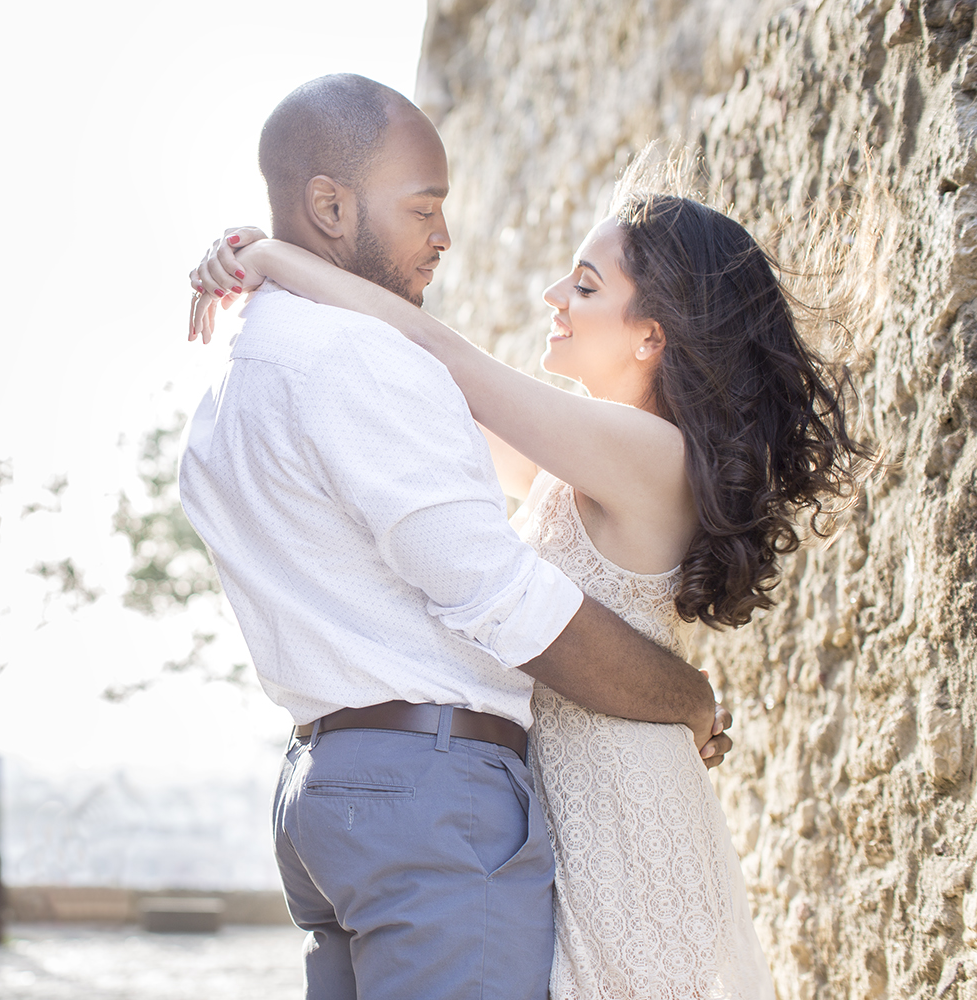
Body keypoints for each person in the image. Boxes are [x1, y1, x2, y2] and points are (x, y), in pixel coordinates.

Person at [190, 144, 867, 1000]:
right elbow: (429, 414)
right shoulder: (590, 458)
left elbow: (446, 358)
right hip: (570, 794)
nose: (554, 297)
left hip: (621, 804)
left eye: (585, 287)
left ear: (650, 335)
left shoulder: (649, 453)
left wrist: (275, 257)